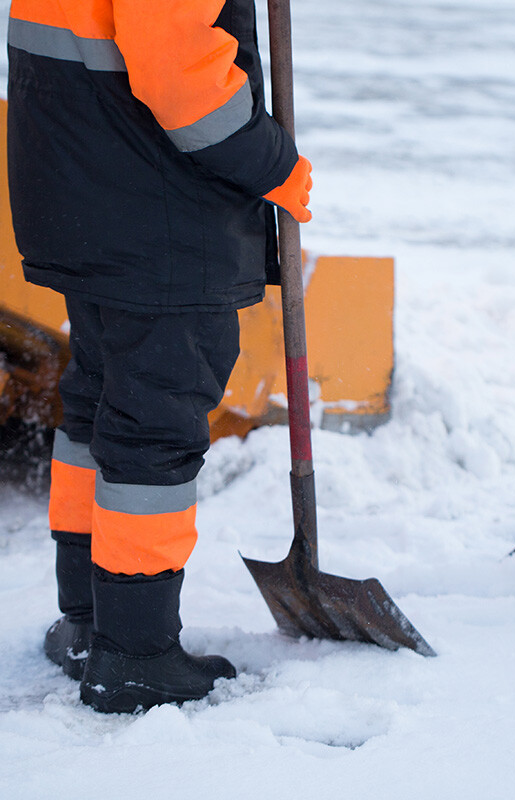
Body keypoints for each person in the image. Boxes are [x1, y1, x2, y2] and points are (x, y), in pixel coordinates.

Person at [6, 0, 312, 712]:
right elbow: (175, 62)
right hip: (152, 196)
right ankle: (136, 653)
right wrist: (273, 163)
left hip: (80, 172)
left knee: (101, 395)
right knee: (155, 419)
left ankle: (87, 622)